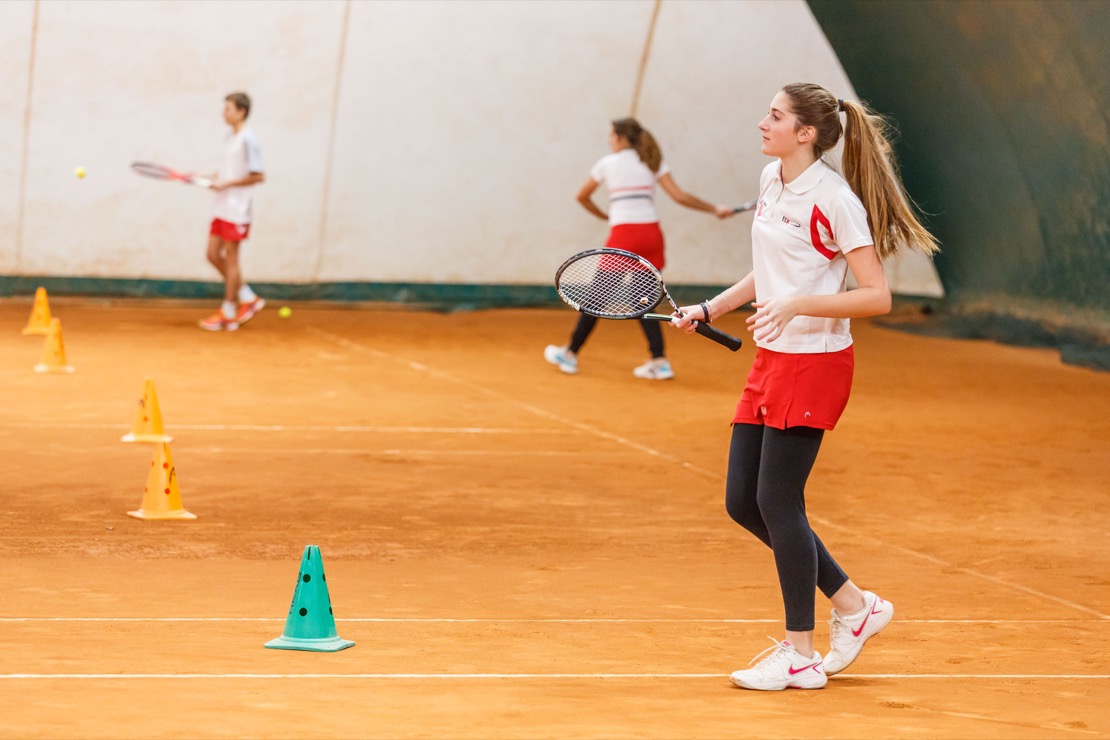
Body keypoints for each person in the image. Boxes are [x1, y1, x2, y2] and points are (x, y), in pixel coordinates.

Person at [672, 83, 939, 690]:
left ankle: (799, 653)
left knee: (778, 502)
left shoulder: (835, 199)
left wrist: (796, 304)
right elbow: (767, 270)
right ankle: (855, 606)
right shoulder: (773, 183)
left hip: (816, 362)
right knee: (744, 500)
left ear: (807, 133)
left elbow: (876, 294)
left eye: (775, 115)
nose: (761, 122)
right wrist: (709, 308)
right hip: (772, 358)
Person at [544, 118, 733, 379]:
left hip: (624, 235)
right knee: (641, 300)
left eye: (611, 136)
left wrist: (603, 215)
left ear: (621, 137)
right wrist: (714, 209)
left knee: (595, 299)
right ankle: (659, 361)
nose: (609, 140)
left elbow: (581, 196)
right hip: (651, 235)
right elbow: (679, 196)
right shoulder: (651, 161)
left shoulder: (607, 164)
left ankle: (570, 354)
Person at [198, 92, 266, 331]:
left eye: (228, 108)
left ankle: (228, 310)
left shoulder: (249, 139)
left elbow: (258, 175)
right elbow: (227, 173)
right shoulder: (231, 138)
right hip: (221, 206)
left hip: (238, 208)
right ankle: (248, 297)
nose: (223, 112)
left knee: (231, 257)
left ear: (241, 112)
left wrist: (226, 185)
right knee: (212, 254)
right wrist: (203, 178)